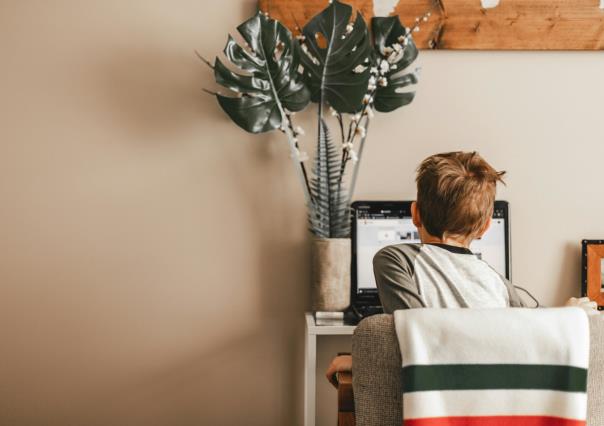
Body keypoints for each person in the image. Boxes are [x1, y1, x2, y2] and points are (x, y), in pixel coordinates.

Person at [326, 151, 596, 387]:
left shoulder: (395, 259)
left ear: (415, 213)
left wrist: (360, 360)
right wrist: (570, 313)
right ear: (486, 226)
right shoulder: (498, 282)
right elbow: (532, 335)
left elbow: (415, 335)